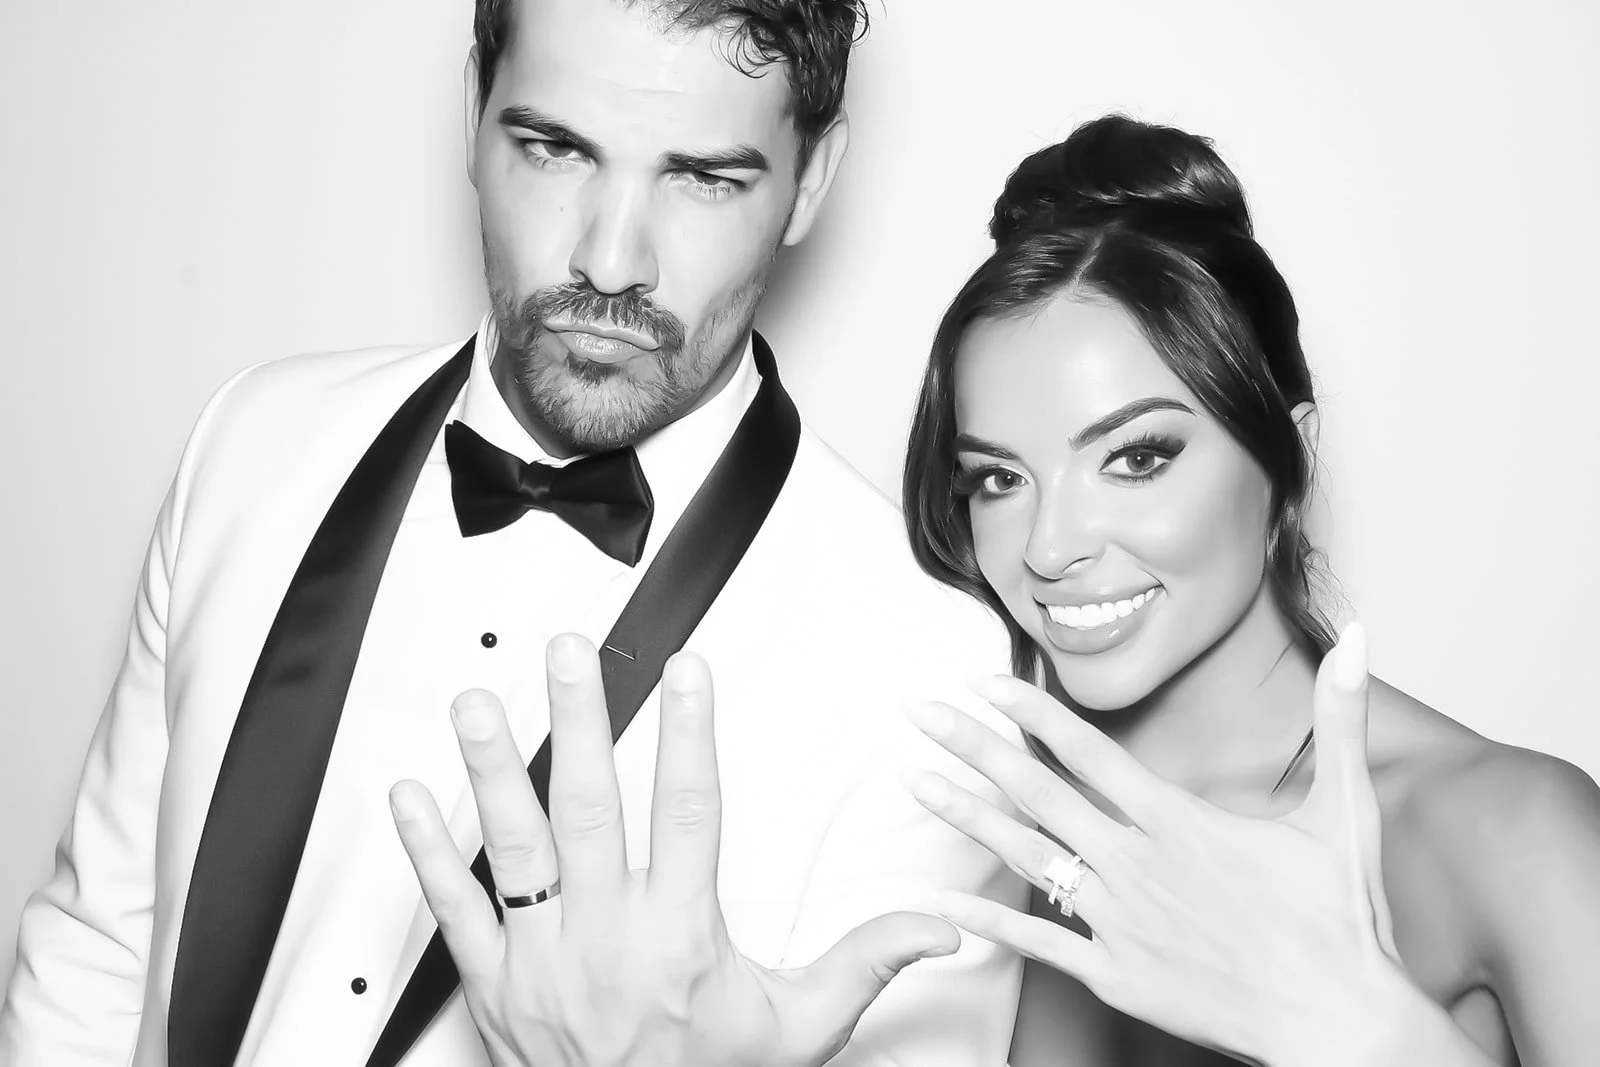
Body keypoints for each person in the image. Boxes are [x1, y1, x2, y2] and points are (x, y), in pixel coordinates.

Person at [0, 2, 1028, 1064]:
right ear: (473, 115)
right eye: (553, 147)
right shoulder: (251, 443)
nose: (612, 259)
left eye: (702, 177)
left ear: (810, 179)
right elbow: (94, 953)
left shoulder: (929, 674)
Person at [899, 114, 1600, 1065]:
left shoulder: (1513, 831)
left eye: (1135, 458)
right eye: (998, 479)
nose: (1049, 547)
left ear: (1291, 456)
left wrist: (1373, 1040)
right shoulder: (1056, 839)